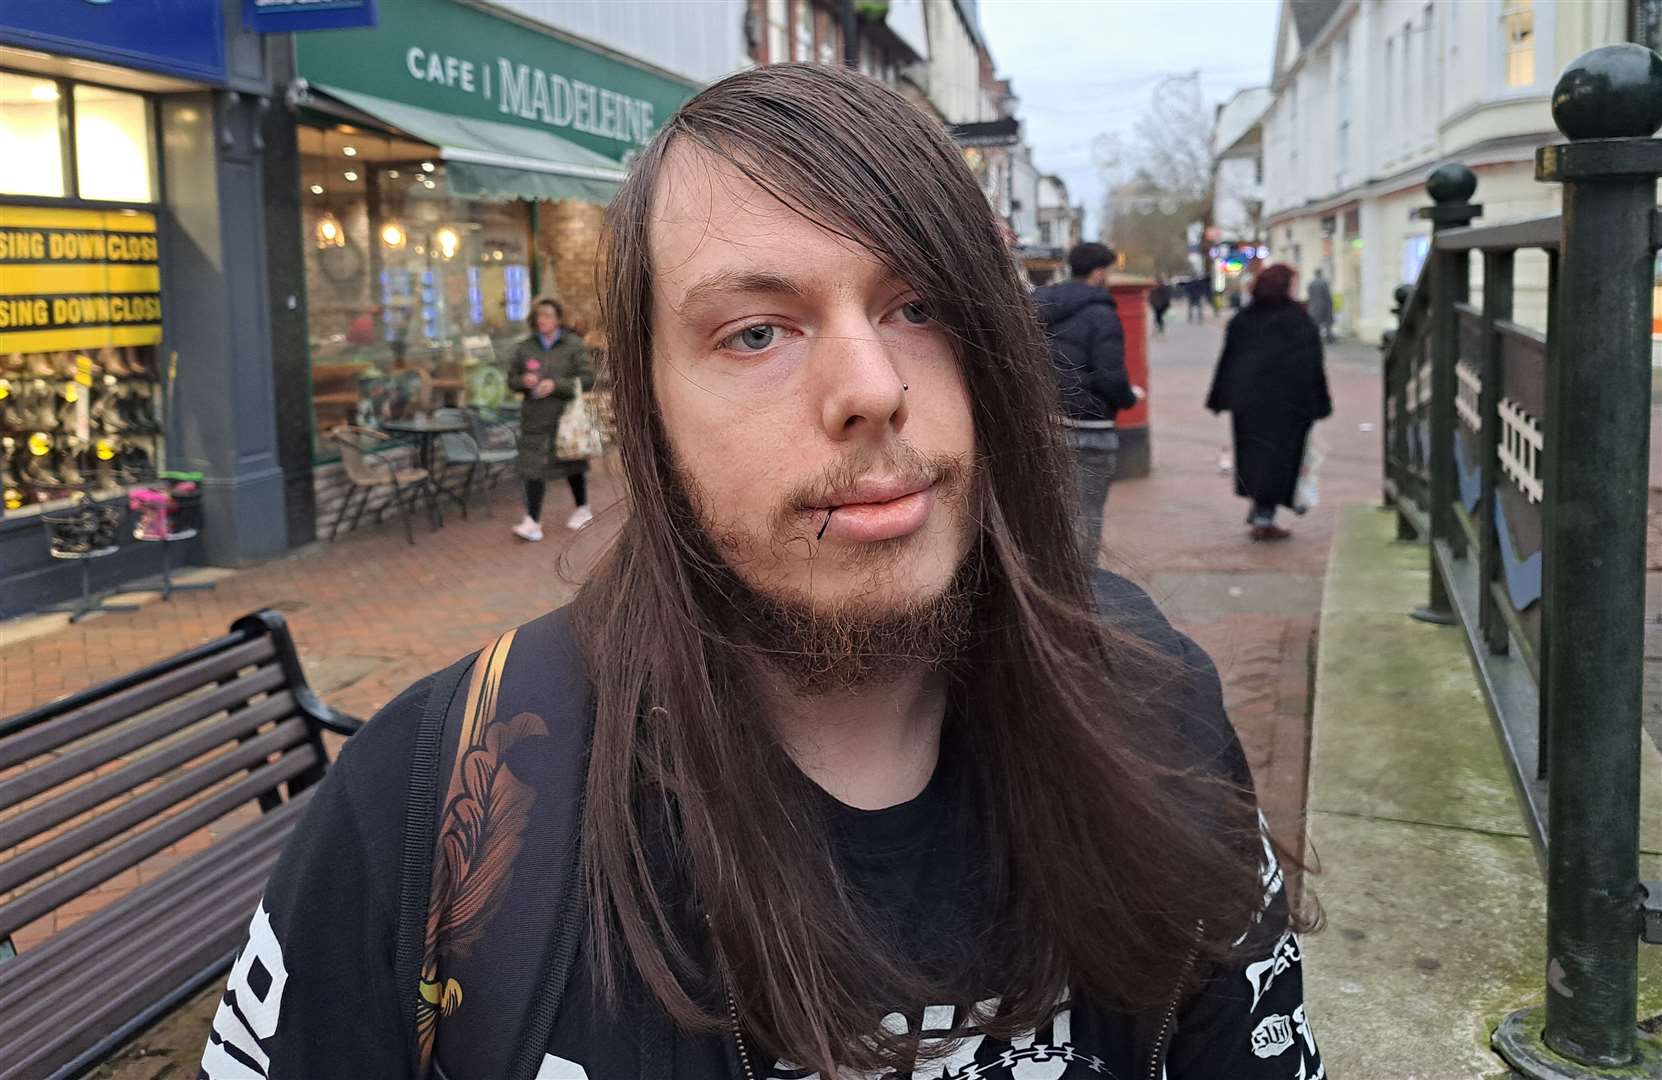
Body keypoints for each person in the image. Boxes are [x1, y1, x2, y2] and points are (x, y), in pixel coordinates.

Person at [201, 63, 1320, 1080]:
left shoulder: (1149, 701)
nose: (872, 386)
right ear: (646, 411)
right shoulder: (441, 802)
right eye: (755, 332)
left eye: (917, 306)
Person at [1206, 264, 1333, 541]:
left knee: (1255, 457)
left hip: (1248, 404)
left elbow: (1229, 360)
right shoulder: (1298, 320)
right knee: (1281, 460)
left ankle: (1262, 508)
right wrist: (1320, 403)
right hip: (1290, 405)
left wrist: (1220, 396)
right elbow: (1312, 366)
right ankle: (1265, 514)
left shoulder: (1243, 320)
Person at [1033, 242, 1143, 559]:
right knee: (1085, 514)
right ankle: (1079, 592)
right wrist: (1128, 399)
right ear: (1097, 273)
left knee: (1049, 515)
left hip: (1046, 424)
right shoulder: (1102, 314)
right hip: (1090, 429)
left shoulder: (1039, 306)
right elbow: (1110, 377)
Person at [507, 298, 595, 540]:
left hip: (564, 419)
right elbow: (511, 379)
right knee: (532, 468)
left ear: (558, 319)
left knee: (572, 464)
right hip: (534, 419)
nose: (542, 320)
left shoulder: (574, 345)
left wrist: (555, 385)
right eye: (539, 316)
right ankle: (532, 521)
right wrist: (522, 381)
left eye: (547, 316)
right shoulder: (525, 347)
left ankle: (582, 508)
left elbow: (587, 378)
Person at [1306, 268, 1335, 343]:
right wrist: (1331, 303)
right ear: (1320, 273)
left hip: (1314, 306)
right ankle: (1329, 338)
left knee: (1316, 324)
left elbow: (1309, 295)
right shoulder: (1324, 283)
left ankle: (1316, 338)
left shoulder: (1311, 283)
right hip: (1324, 305)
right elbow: (1327, 295)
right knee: (1328, 322)